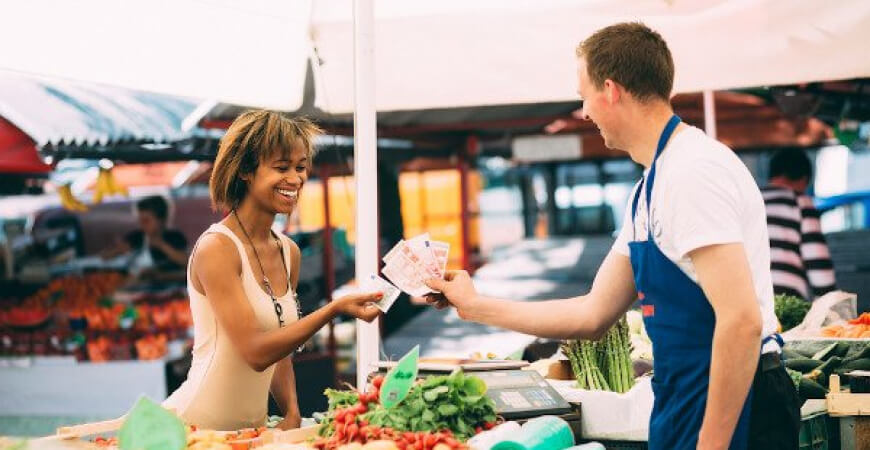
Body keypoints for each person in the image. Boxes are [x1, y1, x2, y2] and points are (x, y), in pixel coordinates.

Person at [426, 23, 799, 450]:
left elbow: (741, 321)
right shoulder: (649, 188)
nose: (584, 112)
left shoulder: (692, 172)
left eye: (584, 96)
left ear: (610, 89)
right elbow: (592, 315)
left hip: (737, 407)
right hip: (685, 399)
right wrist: (475, 307)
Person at [163, 110, 382, 430]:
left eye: (300, 167)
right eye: (281, 167)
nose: (295, 179)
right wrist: (332, 309)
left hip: (253, 429)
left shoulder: (287, 251)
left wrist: (292, 411)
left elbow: (281, 348)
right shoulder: (218, 248)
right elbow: (255, 352)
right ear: (245, 171)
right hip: (195, 427)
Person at [761, 149, 836, 301]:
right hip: (785, 302)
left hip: (746, 303)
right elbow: (819, 266)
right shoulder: (800, 202)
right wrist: (830, 308)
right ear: (804, 179)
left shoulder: (751, 200)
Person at [101, 195, 189, 282]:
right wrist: (117, 251)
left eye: (146, 221)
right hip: (134, 285)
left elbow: (187, 263)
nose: (142, 225)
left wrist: (162, 246)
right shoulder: (136, 237)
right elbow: (104, 257)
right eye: (140, 221)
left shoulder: (175, 237)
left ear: (162, 220)